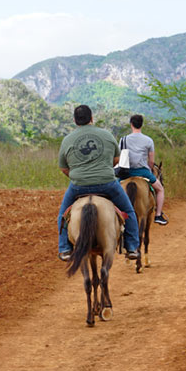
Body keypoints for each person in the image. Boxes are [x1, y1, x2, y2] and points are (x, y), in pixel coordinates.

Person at [56, 105, 140, 261]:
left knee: (62, 216)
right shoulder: (106, 135)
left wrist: (79, 176)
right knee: (129, 211)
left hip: (78, 186)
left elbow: (63, 167)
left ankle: (65, 249)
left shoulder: (67, 140)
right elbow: (116, 160)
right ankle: (132, 247)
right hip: (107, 183)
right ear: (92, 118)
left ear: (75, 120)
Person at [115, 114, 168, 225]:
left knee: (113, 191)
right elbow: (151, 161)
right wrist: (148, 169)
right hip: (143, 171)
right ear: (141, 125)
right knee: (160, 189)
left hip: (125, 173)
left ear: (131, 124)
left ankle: (113, 214)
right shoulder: (148, 140)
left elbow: (119, 158)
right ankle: (158, 215)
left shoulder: (123, 139)